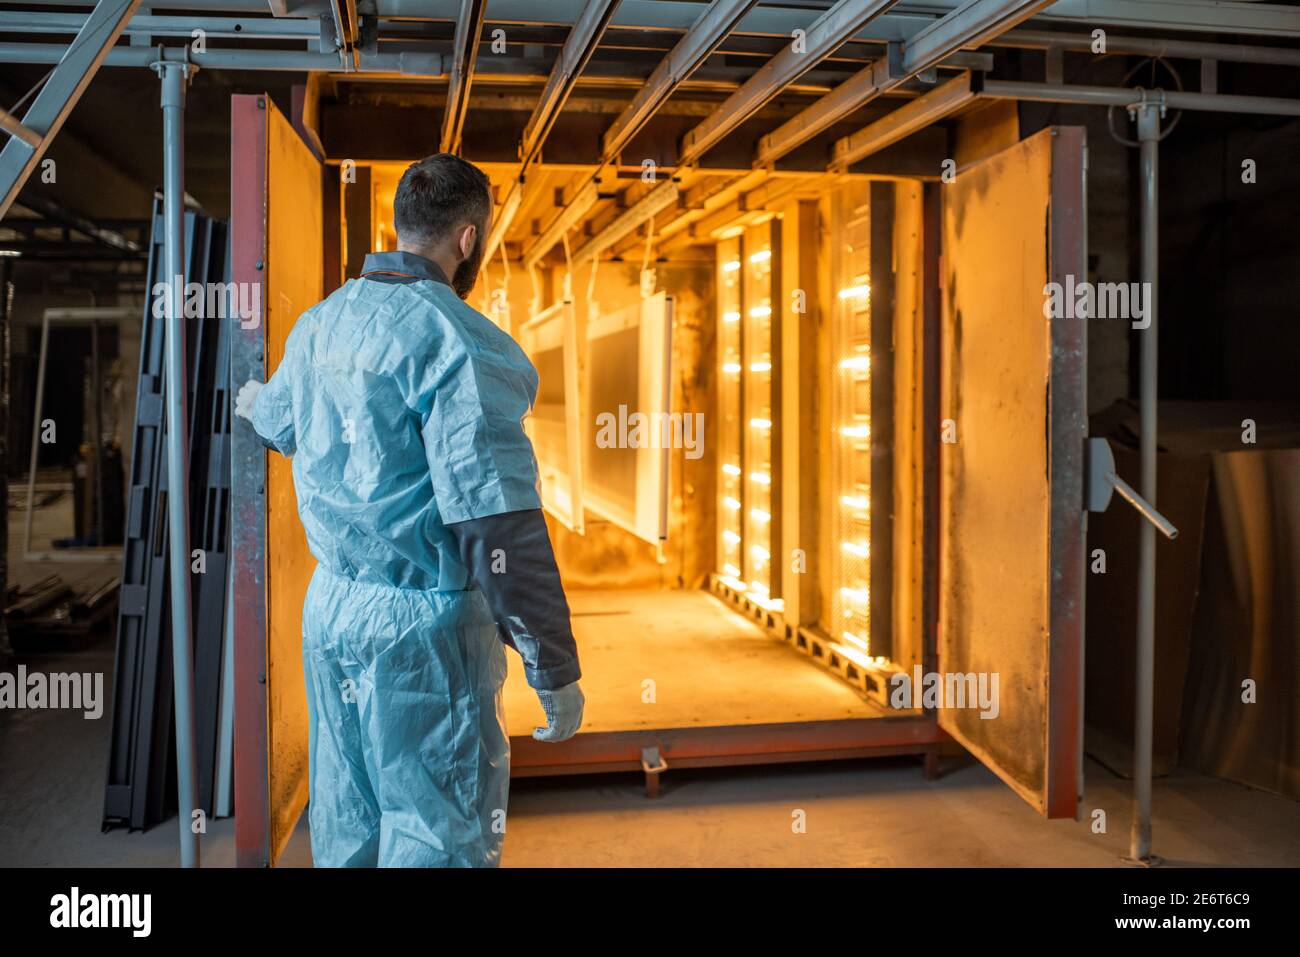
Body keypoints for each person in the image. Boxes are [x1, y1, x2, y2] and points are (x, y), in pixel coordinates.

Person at [233, 153, 584, 868]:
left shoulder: (320, 324)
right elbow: (498, 526)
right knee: (437, 833)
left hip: (333, 616)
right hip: (424, 636)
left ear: (398, 227)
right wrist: (553, 667)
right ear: (467, 239)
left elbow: (275, 424)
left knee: (349, 817)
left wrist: (249, 399)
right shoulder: (463, 342)